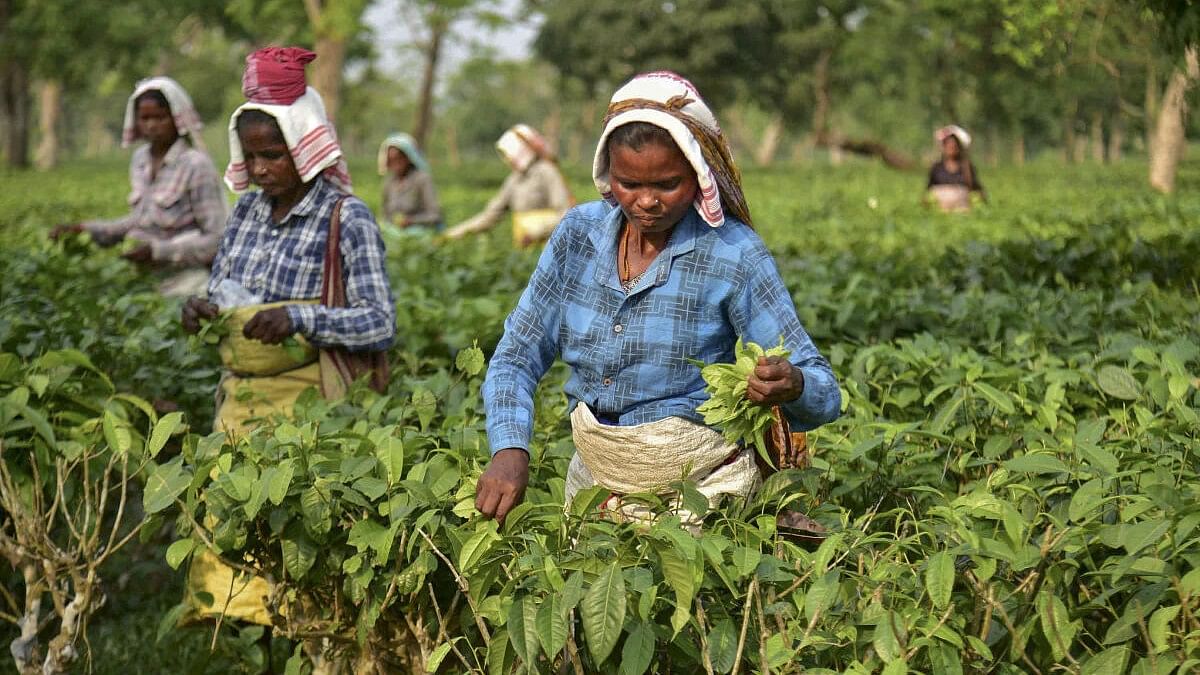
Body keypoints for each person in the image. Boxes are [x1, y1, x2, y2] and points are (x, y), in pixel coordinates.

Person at [474, 71, 841, 528]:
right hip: (594, 489)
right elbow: (517, 354)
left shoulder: (733, 253)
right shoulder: (577, 236)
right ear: (609, 174)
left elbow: (824, 392)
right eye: (629, 183)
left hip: (704, 495)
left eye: (667, 184)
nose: (646, 202)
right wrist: (510, 450)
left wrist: (793, 385)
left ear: (698, 175)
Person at [179, 47, 396, 626]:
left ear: (304, 149)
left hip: (307, 410)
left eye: (273, 155)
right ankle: (242, 634)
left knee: (292, 529)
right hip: (239, 399)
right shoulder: (246, 213)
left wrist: (301, 318)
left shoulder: (346, 219)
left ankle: (305, 637)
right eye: (251, 157)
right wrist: (203, 307)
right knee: (229, 517)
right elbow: (224, 286)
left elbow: (379, 320)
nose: (262, 168)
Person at [51, 77, 227, 297]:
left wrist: (159, 252)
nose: (152, 125)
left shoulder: (195, 165)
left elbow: (217, 239)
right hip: (145, 275)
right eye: (145, 118)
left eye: (160, 117)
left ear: (176, 118)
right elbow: (139, 220)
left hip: (189, 277)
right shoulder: (140, 160)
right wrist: (85, 230)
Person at [443, 124, 573, 247]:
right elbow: (490, 215)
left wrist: (538, 231)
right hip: (524, 248)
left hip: (552, 248)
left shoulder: (547, 171)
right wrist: (453, 235)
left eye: (508, 154)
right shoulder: (514, 180)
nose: (507, 160)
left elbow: (567, 213)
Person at [378, 132, 443, 232]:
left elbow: (435, 215)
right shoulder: (388, 183)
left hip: (420, 233)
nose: (395, 164)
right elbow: (385, 215)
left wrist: (412, 221)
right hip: (394, 233)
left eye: (398, 159)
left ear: (409, 158)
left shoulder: (422, 179)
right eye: (391, 160)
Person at [925, 124, 986, 212]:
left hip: (963, 212)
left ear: (959, 148)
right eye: (948, 145)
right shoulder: (936, 168)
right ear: (943, 147)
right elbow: (928, 191)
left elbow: (977, 190)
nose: (951, 148)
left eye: (954, 146)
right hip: (940, 212)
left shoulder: (966, 167)